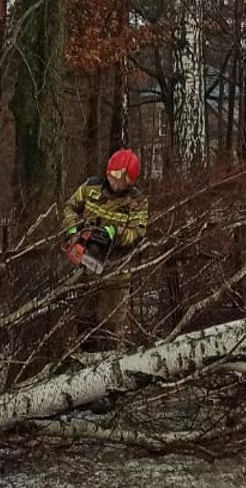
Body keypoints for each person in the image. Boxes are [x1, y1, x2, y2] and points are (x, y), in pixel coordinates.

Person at [62, 148, 148, 348]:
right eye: (115, 176)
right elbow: (69, 207)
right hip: (86, 266)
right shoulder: (91, 187)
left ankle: (109, 366)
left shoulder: (137, 201)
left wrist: (114, 233)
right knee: (84, 320)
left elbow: (138, 233)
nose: (117, 183)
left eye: (123, 179)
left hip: (116, 270)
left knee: (111, 325)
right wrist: (75, 230)